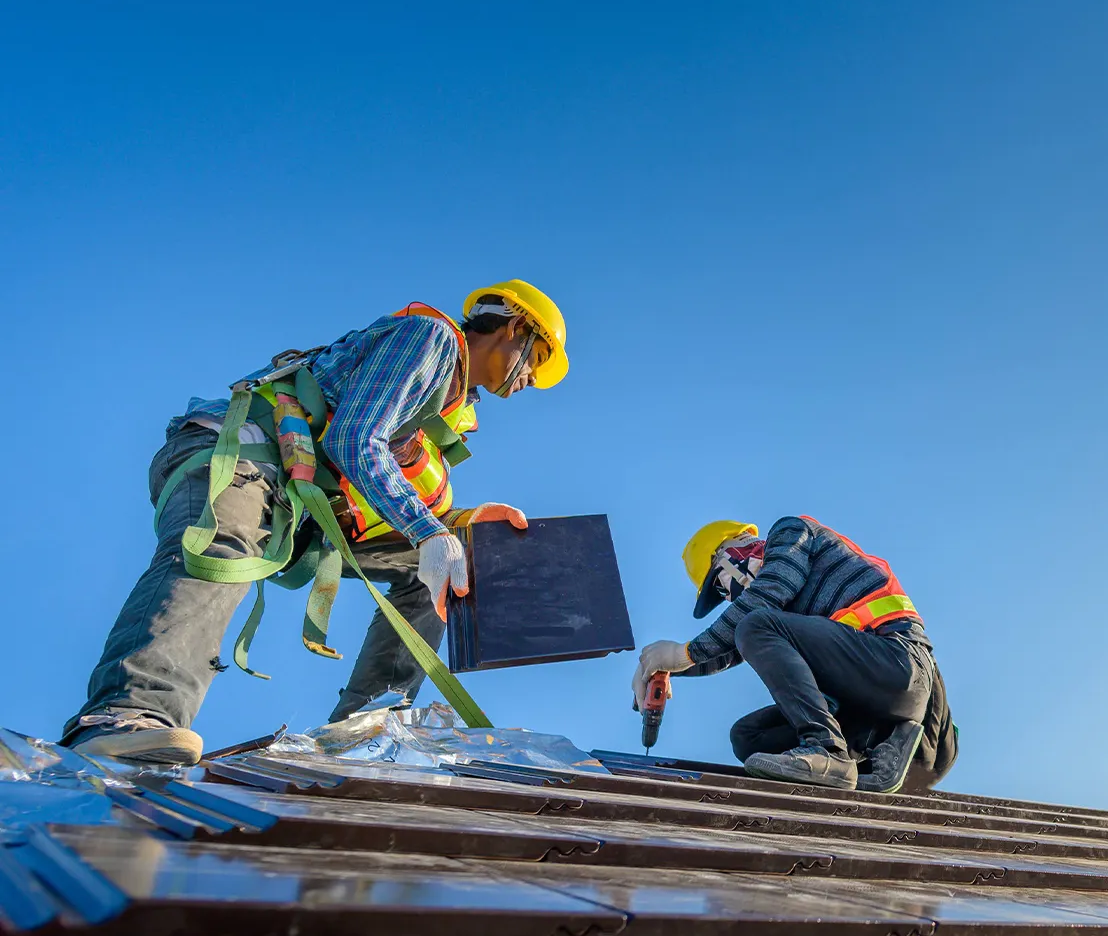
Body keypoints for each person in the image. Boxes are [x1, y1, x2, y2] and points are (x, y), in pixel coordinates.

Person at [63, 280, 571, 765]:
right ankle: (124, 717)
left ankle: (365, 734)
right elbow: (353, 439)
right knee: (221, 550)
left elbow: (383, 486)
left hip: (295, 497)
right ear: (513, 328)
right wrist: (430, 530)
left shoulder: (447, 407)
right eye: (539, 358)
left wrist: (459, 525)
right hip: (238, 453)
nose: (532, 379)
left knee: (445, 568)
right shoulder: (432, 339)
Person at [635, 516, 957, 792]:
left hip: (899, 664)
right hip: (866, 695)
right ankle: (865, 747)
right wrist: (671, 668)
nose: (728, 592)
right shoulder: (776, 613)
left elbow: (765, 599)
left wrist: (686, 652)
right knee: (748, 738)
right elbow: (736, 643)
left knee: (754, 624)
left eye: (720, 579)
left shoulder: (791, 533)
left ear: (735, 548)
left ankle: (827, 750)